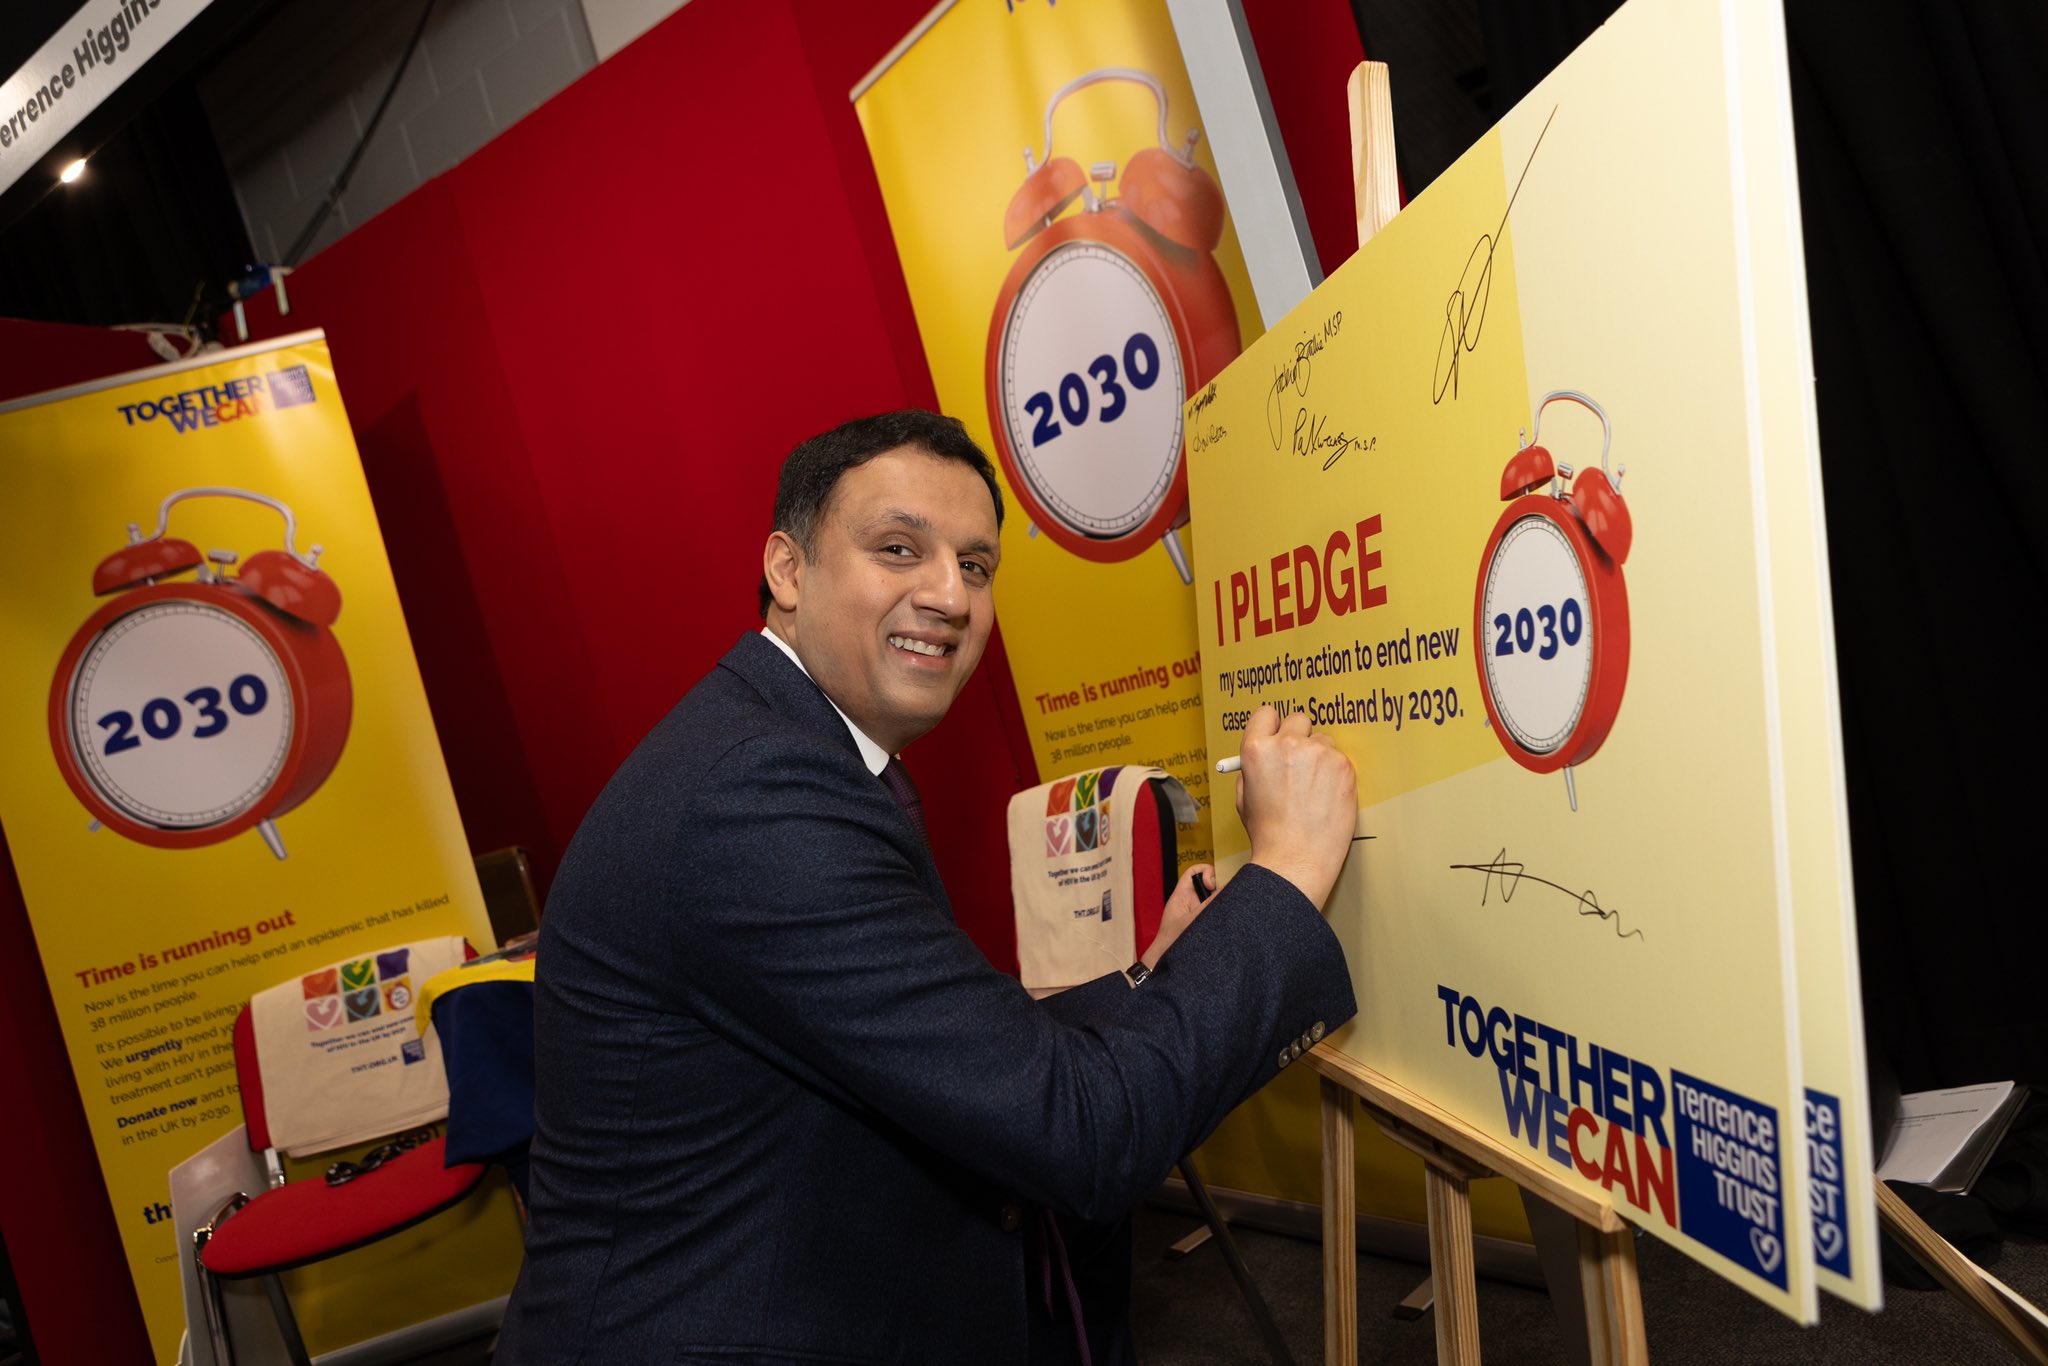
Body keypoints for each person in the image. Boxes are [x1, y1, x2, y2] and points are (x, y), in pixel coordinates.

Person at [496, 410, 1359, 1365]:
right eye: (899, 548)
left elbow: (946, 1044)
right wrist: (1285, 870)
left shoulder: (782, 750)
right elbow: (1079, 1131)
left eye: (977, 565)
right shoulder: (753, 799)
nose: (949, 594)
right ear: (788, 570)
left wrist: (1151, 971)